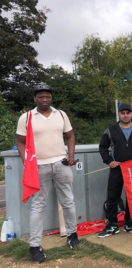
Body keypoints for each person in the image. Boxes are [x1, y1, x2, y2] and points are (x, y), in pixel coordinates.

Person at [16, 84, 80, 263]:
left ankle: (73, 235)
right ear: (35, 98)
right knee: (38, 205)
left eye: (47, 97)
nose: (45, 100)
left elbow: (70, 136)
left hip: (61, 163)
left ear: (51, 98)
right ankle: (35, 246)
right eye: (41, 97)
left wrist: (71, 156)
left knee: (68, 201)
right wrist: (27, 162)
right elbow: (20, 141)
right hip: (38, 167)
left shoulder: (61, 114)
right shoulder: (26, 117)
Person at [98, 103, 132, 238]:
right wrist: (110, 161)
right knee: (112, 197)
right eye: (123, 113)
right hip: (117, 168)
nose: (125, 115)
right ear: (119, 114)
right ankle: (112, 225)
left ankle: (129, 223)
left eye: (128, 113)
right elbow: (103, 147)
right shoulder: (111, 130)